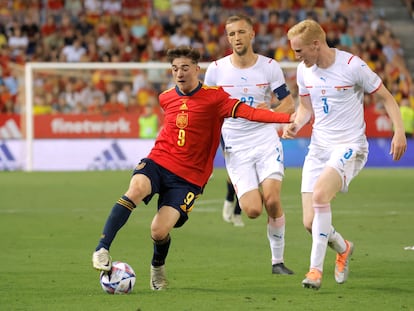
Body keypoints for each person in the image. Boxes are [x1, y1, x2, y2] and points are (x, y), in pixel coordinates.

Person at [92, 46, 295, 290]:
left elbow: (249, 113)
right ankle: (102, 249)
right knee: (136, 188)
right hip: (159, 160)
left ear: (197, 70)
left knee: (158, 230)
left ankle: (157, 266)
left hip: (189, 178)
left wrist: (289, 119)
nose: (179, 73)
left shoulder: (215, 97)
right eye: (175, 68)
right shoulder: (166, 97)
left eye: (185, 68)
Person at [283, 19, 407, 290]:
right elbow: (306, 109)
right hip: (319, 148)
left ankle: (315, 270)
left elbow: (386, 97)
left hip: (349, 145)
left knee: (319, 196)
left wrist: (398, 132)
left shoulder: (352, 66)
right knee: (309, 223)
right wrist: (295, 124)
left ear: (316, 44)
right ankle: (343, 247)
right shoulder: (305, 72)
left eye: (299, 50)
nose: (296, 57)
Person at [204, 14, 296, 275]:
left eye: (241, 32)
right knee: (253, 210)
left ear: (252, 34)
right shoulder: (217, 69)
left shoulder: (269, 67)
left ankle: (277, 262)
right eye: (231, 34)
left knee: (273, 200)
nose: (236, 38)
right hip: (236, 145)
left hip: (266, 139)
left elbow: (288, 104)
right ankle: (247, 186)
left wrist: (273, 107)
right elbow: (207, 108)